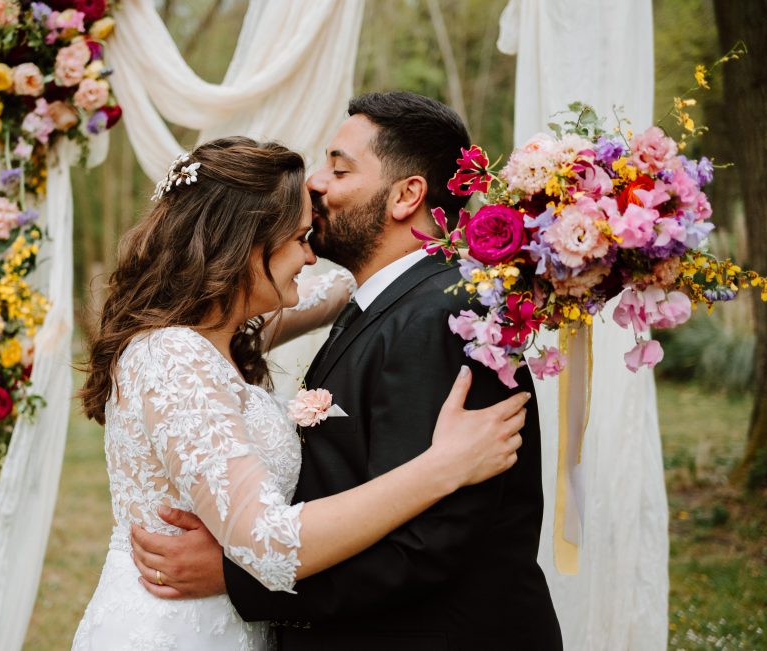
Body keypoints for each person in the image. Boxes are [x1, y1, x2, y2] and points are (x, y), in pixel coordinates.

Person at [129, 94, 563, 649]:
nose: (314, 185)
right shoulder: (393, 300)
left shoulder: (443, 316)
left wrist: (237, 577)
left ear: (407, 195)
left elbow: (424, 546)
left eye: (339, 168)